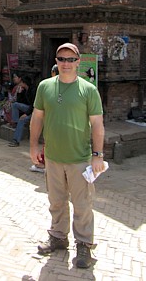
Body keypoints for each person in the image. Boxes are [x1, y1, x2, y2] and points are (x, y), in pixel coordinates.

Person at [30, 43, 105, 269]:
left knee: (82, 203)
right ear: (56, 60)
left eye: (71, 59)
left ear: (78, 62)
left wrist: (97, 155)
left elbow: (97, 125)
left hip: (80, 158)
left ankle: (83, 244)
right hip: (52, 156)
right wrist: (33, 146)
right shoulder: (45, 87)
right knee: (56, 201)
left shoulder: (88, 90)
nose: (66, 63)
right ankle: (58, 236)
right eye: (61, 59)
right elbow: (37, 118)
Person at [8, 76, 36, 147]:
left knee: (22, 120)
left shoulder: (33, 90)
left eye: (21, 83)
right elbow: (21, 102)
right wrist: (20, 93)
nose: (19, 84)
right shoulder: (25, 90)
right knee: (15, 105)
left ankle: (16, 140)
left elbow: (34, 105)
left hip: (35, 111)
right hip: (29, 108)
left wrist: (26, 114)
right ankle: (15, 122)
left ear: (24, 83)